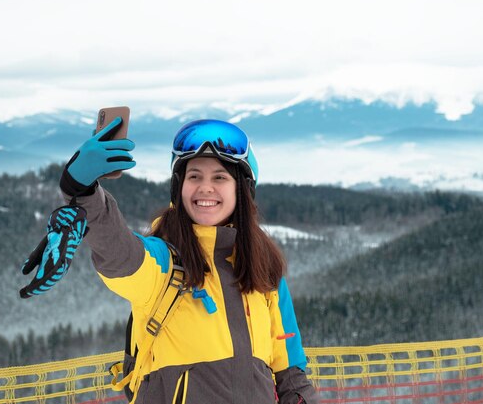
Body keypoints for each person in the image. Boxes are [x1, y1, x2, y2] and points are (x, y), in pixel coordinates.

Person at [59, 118, 319, 404]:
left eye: (219, 177)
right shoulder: (165, 263)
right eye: (194, 176)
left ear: (241, 190)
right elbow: (121, 255)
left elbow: (291, 374)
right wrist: (83, 192)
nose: (205, 188)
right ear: (179, 188)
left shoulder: (264, 272)